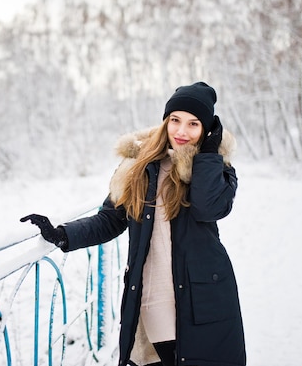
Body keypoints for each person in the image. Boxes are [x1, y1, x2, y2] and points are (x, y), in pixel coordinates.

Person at [21, 82, 246, 366]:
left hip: (206, 299)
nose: (181, 131)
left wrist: (207, 156)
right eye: (175, 120)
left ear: (207, 129)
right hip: (155, 298)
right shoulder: (140, 168)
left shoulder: (217, 168)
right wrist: (63, 234)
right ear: (165, 121)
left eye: (193, 124)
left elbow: (208, 207)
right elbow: (110, 220)